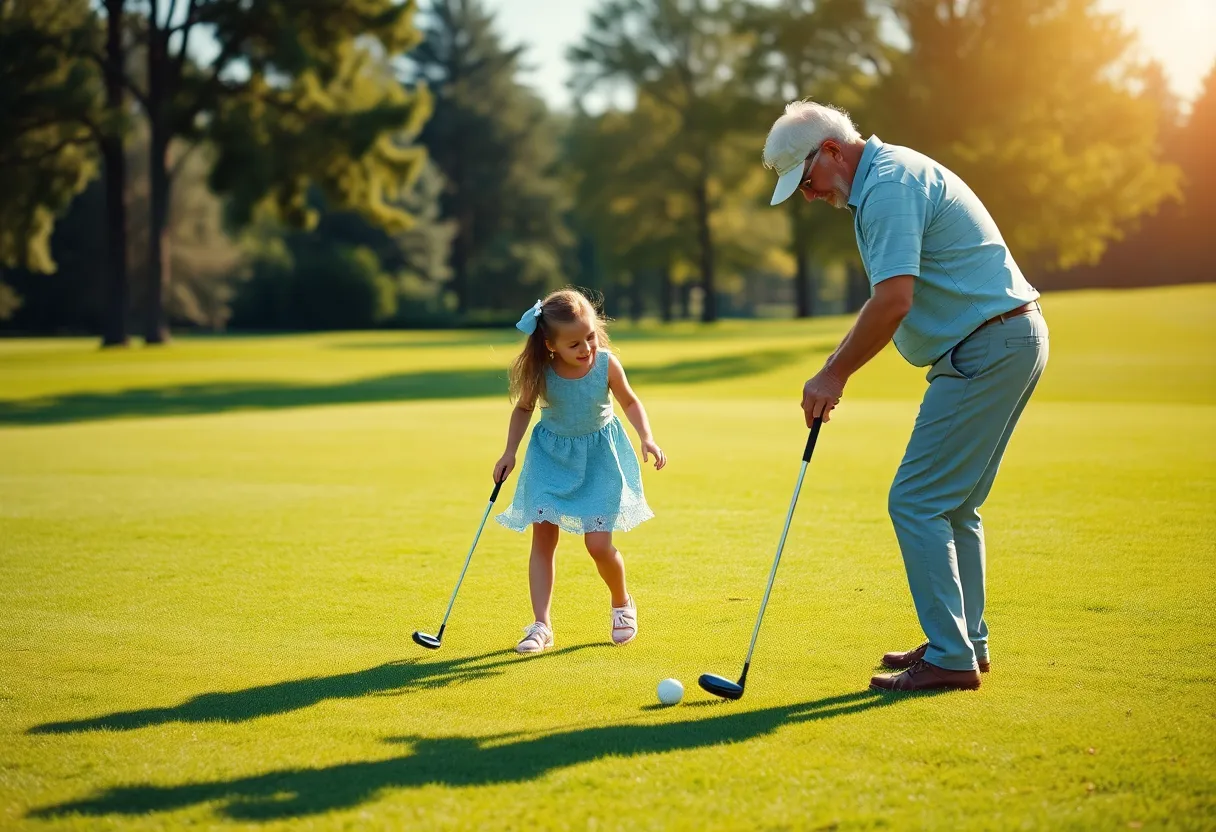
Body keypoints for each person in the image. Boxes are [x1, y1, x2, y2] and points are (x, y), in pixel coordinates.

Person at [763, 100, 1049, 693]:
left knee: (916, 500)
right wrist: (831, 367)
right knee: (954, 505)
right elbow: (882, 302)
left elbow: (894, 301)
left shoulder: (890, 186)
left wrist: (834, 375)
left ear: (833, 152)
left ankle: (951, 656)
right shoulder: (885, 179)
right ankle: (964, 640)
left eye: (807, 180)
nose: (810, 196)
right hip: (1002, 339)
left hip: (987, 344)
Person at [493, 289, 667, 654]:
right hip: (550, 459)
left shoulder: (606, 364)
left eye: (589, 337)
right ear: (550, 344)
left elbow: (630, 402)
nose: (586, 348)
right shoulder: (540, 373)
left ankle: (622, 603)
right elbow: (523, 410)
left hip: (600, 460)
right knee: (543, 540)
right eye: (574, 343)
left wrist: (647, 438)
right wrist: (509, 451)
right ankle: (541, 625)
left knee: (598, 545)